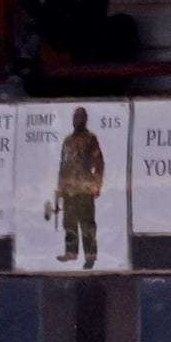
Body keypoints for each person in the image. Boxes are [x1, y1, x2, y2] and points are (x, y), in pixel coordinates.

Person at [56, 106, 104, 270]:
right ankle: (71, 252)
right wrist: (60, 188)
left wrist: (96, 184)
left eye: (80, 117)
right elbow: (62, 164)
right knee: (69, 222)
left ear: (85, 119)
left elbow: (99, 163)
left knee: (87, 223)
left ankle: (90, 255)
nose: (77, 120)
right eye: (75, 117)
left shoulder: (91, 139)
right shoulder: (67, 141)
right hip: (69, 188)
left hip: (85, 188)